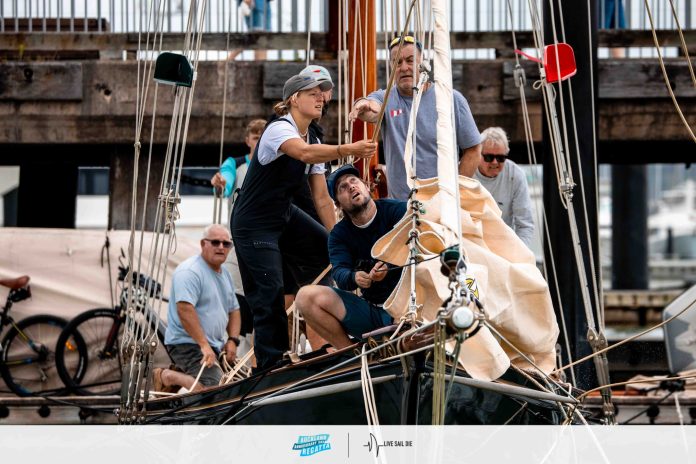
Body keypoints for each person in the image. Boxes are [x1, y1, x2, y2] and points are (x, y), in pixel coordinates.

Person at [231, 74, 376, 371]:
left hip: (283, 214)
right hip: (254, 222)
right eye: (313, 93)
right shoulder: (278, 129)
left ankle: (331, 332)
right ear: (294, 99)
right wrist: (348, 149)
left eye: (323, 93)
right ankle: (270, 365)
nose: (321, 98)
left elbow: (321, 198)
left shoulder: (314, 138)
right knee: (269, 292)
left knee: (328, 251)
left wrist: (341, 239)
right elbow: (303, 153)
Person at [349, 35, 482, 200]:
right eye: (397, 62)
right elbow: (371, 109)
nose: (404, 67)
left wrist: (455, 193)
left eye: (410, 60)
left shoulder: (451, 99)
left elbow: (474, 150)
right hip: (401, 207)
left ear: (423, 63)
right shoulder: (385, 98)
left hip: (442, 204)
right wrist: (363, 104)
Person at [295, 165, 406, 349]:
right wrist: (355, 277)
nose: (351, 186)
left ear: (366, 187)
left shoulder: (398, 211)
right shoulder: (339, 235)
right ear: (338, 205)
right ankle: (350, 355)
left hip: (412, 307)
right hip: (374, 312)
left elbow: (420, 248)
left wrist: (389, 265)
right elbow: (339, 273)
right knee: (305, 297)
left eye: (354, 181)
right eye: (343, 188)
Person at [154, 224, 241, 392]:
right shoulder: (190, 271)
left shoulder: (225, 275)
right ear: (203, 244)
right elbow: (184, 309)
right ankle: (168, 376)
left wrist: (233, 340)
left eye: (226, 244)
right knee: (216, 390)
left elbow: (234, 310)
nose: (221, 247)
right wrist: (204, 345)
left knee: (236, 383)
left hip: (213, 345)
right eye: (215, 242)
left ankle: (181, 377)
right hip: (188, 344)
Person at [473, 127, 534, 248]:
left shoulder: (516, 175)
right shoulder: (463, 172)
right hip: (472, 243)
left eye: (501, 158)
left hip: (504, 244)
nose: (495, 162)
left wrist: (519, 253)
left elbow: (525, 224)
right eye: (489, 157)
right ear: (478, 154)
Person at [211, 118, 266, 213]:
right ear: (247, 141)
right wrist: (220, 186)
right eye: (256, 138)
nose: (260, 142)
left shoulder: (279, 166)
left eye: (264, 138)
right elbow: (225, 183)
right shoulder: (233, 164)